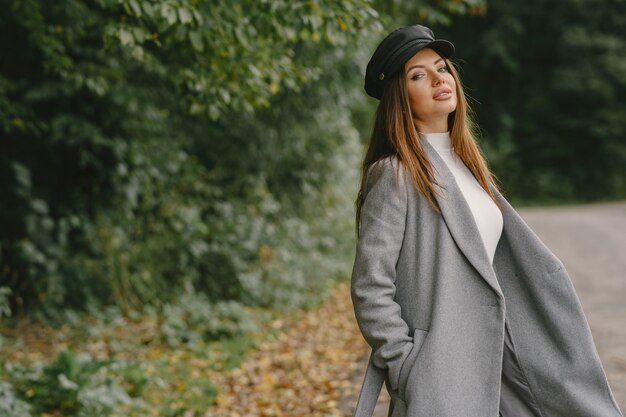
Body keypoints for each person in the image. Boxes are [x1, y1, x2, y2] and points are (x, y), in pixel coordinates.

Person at [350, 24, 623, 417]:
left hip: (505, 360)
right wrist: (407, 365)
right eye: (417, 75)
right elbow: (370, 286)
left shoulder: (467, 165)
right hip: (444, 374)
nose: (438, 78)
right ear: (400, 97)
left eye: (442, 67)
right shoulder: (395, 174)